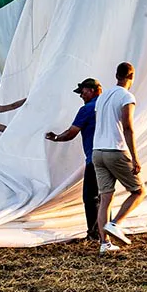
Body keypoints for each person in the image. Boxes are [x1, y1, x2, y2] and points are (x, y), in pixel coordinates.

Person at [93, 62, 145, 254]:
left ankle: (104, 244)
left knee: (105, 198)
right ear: (131, 76)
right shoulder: (126, 96)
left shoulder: (102, 96)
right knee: (138, 191)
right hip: (115, 150)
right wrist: (135, 158)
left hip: (97, 151)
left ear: (116, 75)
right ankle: (115, 224)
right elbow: (128, 127)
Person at [45, 78, 103, 240]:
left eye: (83, 92)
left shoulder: (87, 109)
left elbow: (71, 133)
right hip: (112, 156)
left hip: (95, 158)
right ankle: (106, 230)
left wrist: (55, 138)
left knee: (90, 197)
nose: (81, 96)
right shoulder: (108, 106)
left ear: (92, 90)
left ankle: (94, 234)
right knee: (105, 195)